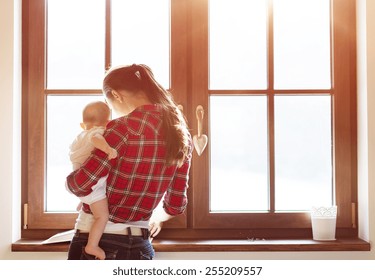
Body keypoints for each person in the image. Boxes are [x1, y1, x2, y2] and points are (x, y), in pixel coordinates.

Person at [66, 64, 192, 260]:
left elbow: (81, 183)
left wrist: (68, 183)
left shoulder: (121, 128)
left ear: (116, 95)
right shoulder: (181, 135)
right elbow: (175, 206)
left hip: (97, 242)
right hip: (141, 247)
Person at [68, 101, 118, 260]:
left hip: (77, 181)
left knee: (92, 196)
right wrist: (108, 149)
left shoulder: (80, 136)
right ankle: (92, 245)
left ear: (83, 124)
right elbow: (97, 139)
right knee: (102, 216)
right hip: (92, 187)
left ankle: (84, 201)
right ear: (108, 122)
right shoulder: (99, 132)